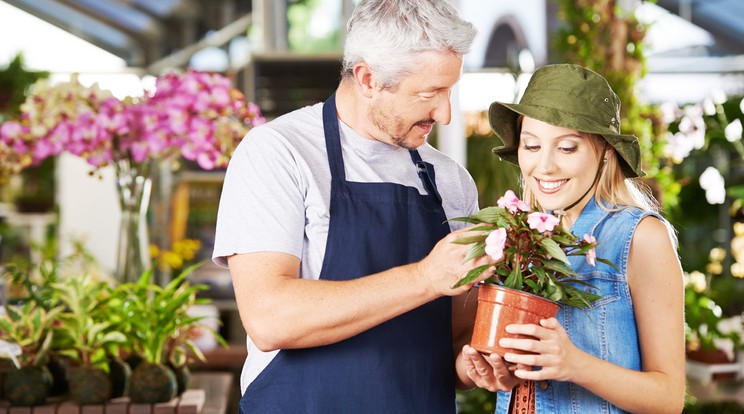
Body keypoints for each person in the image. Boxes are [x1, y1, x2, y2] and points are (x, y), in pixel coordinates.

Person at [213, 0, 490, 412]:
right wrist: (424, 278)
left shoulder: (450, 179)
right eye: (429, 93)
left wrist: (475, 364)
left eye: (449, 91)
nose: (445, 113)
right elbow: (270, 317)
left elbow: (453, 339)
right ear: (367, 79)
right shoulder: (279, 153)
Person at [457, 64, 686, 413]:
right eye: (531, 146)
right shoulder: (514, 240)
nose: (544, 166)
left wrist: (576, 365)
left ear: (606, 152)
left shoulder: (639, 237)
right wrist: (493, 373)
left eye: (566, 148)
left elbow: (668, 399)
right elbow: (489, 367)